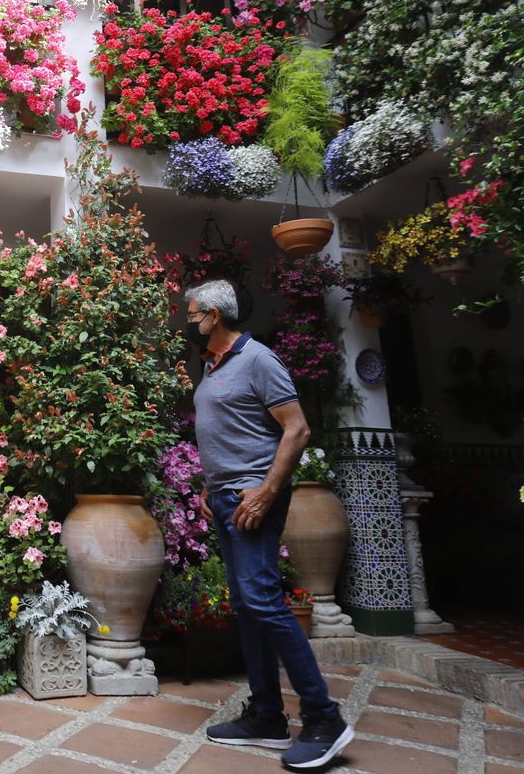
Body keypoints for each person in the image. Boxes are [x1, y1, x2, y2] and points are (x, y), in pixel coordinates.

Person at [185, 279, 354, 772]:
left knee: (262, 600)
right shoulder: (212, 365)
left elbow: (297, 429)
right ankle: (265, 716)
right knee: (247, 604)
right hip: (225, 498)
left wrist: (265, 490)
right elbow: (232, 432)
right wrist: (209, 485)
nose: (189, 322)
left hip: (252, 500)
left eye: (193, 314)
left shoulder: (259, 359)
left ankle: (324, 718)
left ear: (215, 315)